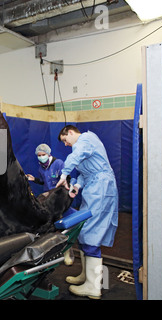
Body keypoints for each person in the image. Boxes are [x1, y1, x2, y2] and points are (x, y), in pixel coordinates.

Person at [56, 125, 118, 299]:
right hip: (94, 188)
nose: (66, 144)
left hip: (101, 190)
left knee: (91, 233)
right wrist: (76, 185)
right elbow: (85, 173)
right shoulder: (86, 147)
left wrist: (64, 175)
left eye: (65, 140)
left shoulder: (85, 140)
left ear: (70, 132)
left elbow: (75, 156)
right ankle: (86, 276)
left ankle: (93, 287)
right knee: (84, 230)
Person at [26, 143, 74, 265]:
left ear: (49, 154)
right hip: (49, 199)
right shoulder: (41, 167)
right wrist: (34, 179)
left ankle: (67, 250)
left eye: (43, 155)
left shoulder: (58, 163)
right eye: (39, 155)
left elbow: (67, 179)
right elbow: (43, 181)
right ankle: (50, 248)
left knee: (60, 223)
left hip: (60, 197)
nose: (41, 157)